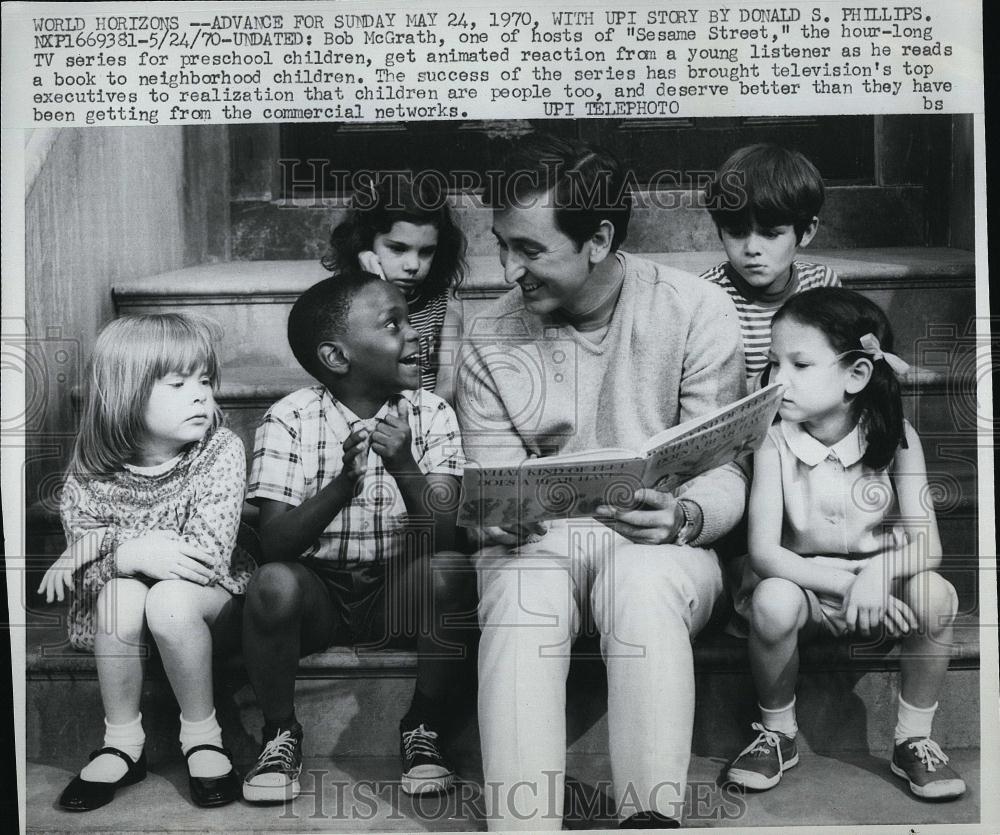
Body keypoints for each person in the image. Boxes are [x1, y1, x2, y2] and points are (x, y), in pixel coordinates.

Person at [454, 134, 749, 830]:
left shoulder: (694, 311)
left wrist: (684, 517)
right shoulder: (489, 336)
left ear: (599, 239)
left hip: (660, 545)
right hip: (539, 546)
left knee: (641, 585)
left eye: (530, 249)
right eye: (501, 245)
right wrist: (492, 517)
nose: (510, 269)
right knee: (521, 594)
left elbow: (727, 471)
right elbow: (487, 485)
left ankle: (650, 819)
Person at [241, 271, 475, 803]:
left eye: (410, 320)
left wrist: (405, 464)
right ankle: (280, 732)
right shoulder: (290, 419)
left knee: (451, 572)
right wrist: (341, 487)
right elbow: (274, 544)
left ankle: (424, 726)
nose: (414, 333)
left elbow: (446, 536)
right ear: (337, 357)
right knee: (272, 583)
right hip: (319, 592)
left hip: (399, 588)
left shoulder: (432, 414)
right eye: (393, 324)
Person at [725, 287, 965, 800]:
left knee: (937, 595)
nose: (778, 379)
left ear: (856, 375)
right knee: (770, 600)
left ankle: (913, 738)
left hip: (882, 592)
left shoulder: (898, 436)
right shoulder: (771, 439)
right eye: (773, 363)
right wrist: (845, 584)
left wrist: (877, 575)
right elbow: (765, 553)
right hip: (806, 588)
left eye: (800, 365)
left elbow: (928, 545)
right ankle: (777, 732)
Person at [38, 313, 254, 811]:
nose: (200, 396)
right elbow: (87, 585)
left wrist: (108, 543)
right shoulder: (89, 474)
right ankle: (122, 742)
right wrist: (130, 554)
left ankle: (203, 737)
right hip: (122, 620)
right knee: (118, 593)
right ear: (126, 395)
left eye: (205, 381)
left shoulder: (219, 450)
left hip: (203, 603)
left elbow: (204, 557)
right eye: (178, 384)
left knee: (169, 600)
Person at [701, 143, 841, 380]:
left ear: (807, 232)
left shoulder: (821, 283)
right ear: (719, 232)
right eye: (737, 233)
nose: (752, 249)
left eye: (770, 234)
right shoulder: (707, 296)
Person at [323, 173, 468, 399]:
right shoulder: (344, 310)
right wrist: (374, 287)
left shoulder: (443, 311)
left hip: (431, 416)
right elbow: (360, 382)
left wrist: (419, 417)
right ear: (365, 245)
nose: (413, 265)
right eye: (398, 249)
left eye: (426, 252)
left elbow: (449, 385)